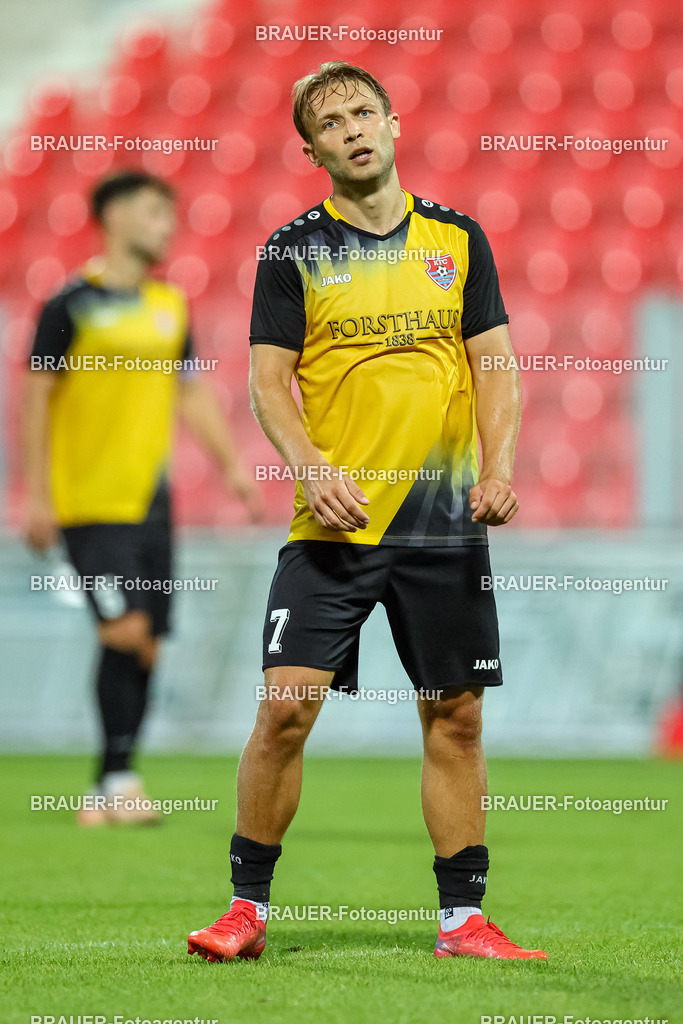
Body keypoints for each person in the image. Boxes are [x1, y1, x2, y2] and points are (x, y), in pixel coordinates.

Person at [188, 62, 546, 960]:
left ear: (391, 122)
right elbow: (268, 381)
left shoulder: (460, 240)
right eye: (328, 121)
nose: (349, 128)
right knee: (284, 711)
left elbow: (496, 363)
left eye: (360, 112)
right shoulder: (289, 251)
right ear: (309, 150)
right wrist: (309, 468)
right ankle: (245, 910)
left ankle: (462, 922)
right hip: (333, 528)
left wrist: (498, 468)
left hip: (439, 524)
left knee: (454, 717)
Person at [23, 169, 262, 825]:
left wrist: (235, 467)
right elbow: (36, 397)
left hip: (151, 505)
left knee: (148, 641)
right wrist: (36, 494)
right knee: (123, 630)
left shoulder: (168, 306)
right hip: (89, 503)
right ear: (117, 215)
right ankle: (119, 782)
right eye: (156, 212)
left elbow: (190, 392)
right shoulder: (69, 304)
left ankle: (108, 787)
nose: (168, 225)